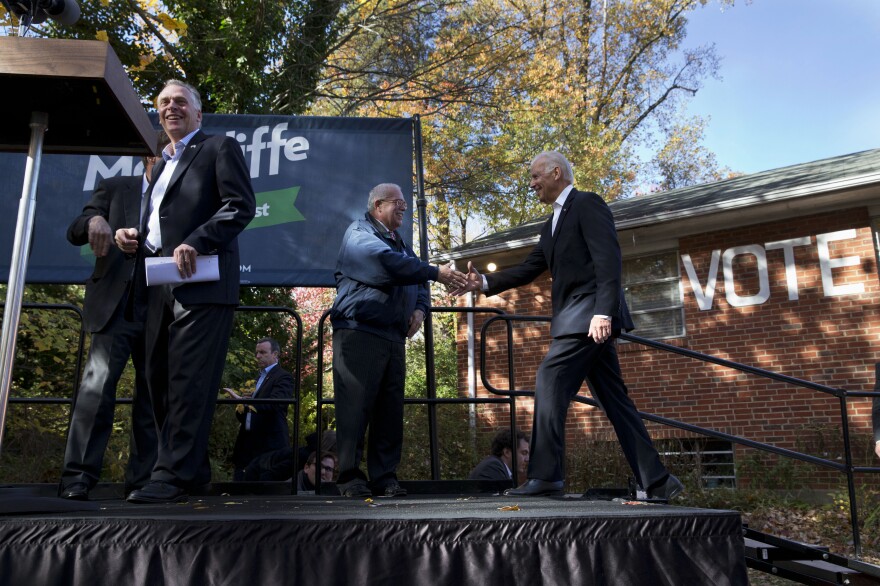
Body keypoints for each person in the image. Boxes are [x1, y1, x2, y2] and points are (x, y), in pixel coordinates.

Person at [454, 151, 682, 500]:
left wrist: (603, 312)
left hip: (588, 318)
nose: (531, 184)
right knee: (615, 401)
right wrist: (482, 283)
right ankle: (658, 480)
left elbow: (609, 258)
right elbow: (529, 267)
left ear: (556, 172)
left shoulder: (588, 204)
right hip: (579, 319)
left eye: (535, 176)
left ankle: (546, 476)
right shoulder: (551, 225)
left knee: (550, 378)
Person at [115, 79, 256, 503]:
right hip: (157, 281)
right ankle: (191, 472)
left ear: (198, 113)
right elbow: (158, 223)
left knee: (189, 380)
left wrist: (198, 240)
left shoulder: (218, 147)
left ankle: (171, 474)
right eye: (163, 103)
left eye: (180, 102)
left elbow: (240, 205)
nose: (170, 108)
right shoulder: (158, 165)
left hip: (204, 282)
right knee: (157, 377)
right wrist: (131, 235)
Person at [330, 182, 467, 497]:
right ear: (378, 206)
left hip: (393, 336)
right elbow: (388, 265)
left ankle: (384, 477)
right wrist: (435, 272)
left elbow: (416, 281)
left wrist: (420, 310)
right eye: (398, 202)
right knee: (355, 408)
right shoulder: (360, 236)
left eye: (405, 202)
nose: (404, 206)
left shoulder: (399, 243)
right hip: (360, 332)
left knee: (390, 410)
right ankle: (350, 478)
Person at [59, 132, 168, 501]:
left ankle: (142, 481)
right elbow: (77, 226)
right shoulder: (116, 186)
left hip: (161, 309)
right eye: (168, 157)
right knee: (97, 390)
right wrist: (96, 224)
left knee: (153, 400)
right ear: (151, 160)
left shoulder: (182, 196)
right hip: (115, 308)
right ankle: (78, 476)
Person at [224, 337, 295, 481]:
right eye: (257, 353)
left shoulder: (283, 377)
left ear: (275, 354)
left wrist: (247, 401)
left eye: (263, 352)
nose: (258, 356)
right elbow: (253, 412)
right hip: (248, 446)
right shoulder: (259, 378)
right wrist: (241, 406)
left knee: (264, 493)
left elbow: (276, 404)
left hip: (269, 446)